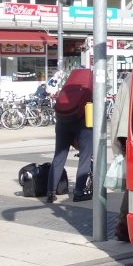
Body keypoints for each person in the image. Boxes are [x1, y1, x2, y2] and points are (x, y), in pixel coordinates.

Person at [46, 68, 93, 204]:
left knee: (59, 156)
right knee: (85, 157)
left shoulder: (68, 87)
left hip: (62, 122)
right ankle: (79, 192)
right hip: (83, 123)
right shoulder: (90, 88)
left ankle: (51, 192)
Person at [110, 75, 131, 241]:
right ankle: (123, 223)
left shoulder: (128, 77)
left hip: (125, 133)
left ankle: (123, 224)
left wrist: (116, 140)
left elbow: (117, 112)